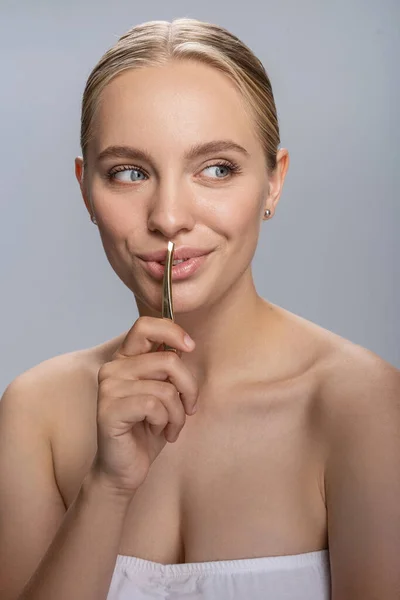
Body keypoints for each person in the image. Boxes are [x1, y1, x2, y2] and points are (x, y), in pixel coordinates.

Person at [0, 17, 399, 600]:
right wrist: (106, 488)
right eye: (129, 173)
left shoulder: (363, 408)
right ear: (86, 190)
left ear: (273, 182)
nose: (168, 215)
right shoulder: (37, 416)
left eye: (216, 169)